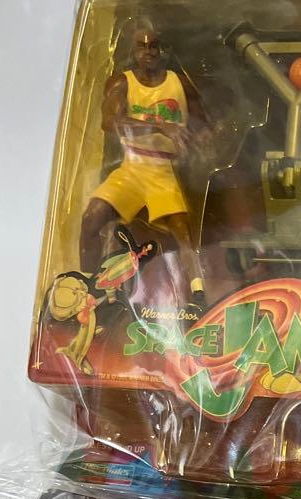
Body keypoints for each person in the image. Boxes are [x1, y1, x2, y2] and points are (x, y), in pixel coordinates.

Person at [80, 24, 207, 307]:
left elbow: (202, 123)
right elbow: (109, 122)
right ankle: (86, 285)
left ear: (163, 50)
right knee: (91, 218)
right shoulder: (122, 82)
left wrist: (202, 140)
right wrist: (160, 126)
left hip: (163, 170)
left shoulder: (180, 83)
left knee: (184, 234)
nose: (148, 51)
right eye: (142, 46)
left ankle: (199, 294)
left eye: (153, 45)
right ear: (133, 50)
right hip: (132, 167)